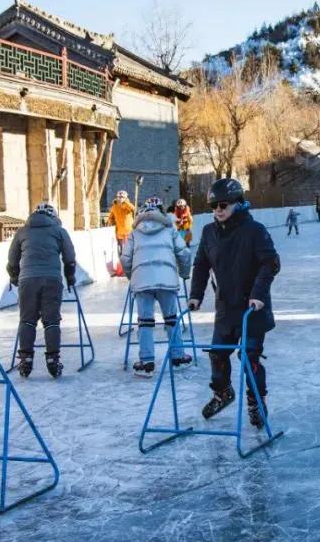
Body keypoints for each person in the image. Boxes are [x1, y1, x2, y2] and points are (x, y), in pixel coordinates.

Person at [188, 178, 280, 427]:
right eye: (213, 206)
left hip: (252, 308)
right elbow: (201, 265)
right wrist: (196, 294)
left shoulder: (254, 230)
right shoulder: (209, 233)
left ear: (238, 203)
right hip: (226, 308)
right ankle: (223, 392)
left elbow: (271, 262)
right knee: (217, 355)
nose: (218, 210)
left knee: (249, 358)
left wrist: (258, 294)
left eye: (223, 204)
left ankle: (255, 402)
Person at [122, 197, 193, 377]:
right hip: (166, 280)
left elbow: (125, 258)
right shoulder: (169, 228)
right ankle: (177, 356)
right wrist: (184, 273)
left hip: (142, 282)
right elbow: (183, 252)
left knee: (144, 322)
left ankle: (147, 361)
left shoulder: (135, 232)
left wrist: (133, 276)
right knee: (171, 318)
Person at [7, 203, 77, 379]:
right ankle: (53, 359)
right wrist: (70, 277)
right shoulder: (59, 231)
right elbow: (70, 257)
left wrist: (14, 277)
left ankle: (26, 359)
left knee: (27, 320)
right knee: (52, 321)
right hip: (51, 279)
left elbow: (12, 258)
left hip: (27, 279)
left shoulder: (22, 231)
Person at [108, 190, 136, 257]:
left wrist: (126, 202)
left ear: (125, 198)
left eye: (122, 197)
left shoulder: (128, 206)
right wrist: (110, 222)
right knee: (121, 250)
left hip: (129, 231)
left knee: (129, 250)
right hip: (120, 232)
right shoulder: (114, 207)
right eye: (119, 197)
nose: (120, 198)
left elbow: (134, 209)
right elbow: (111, 217)